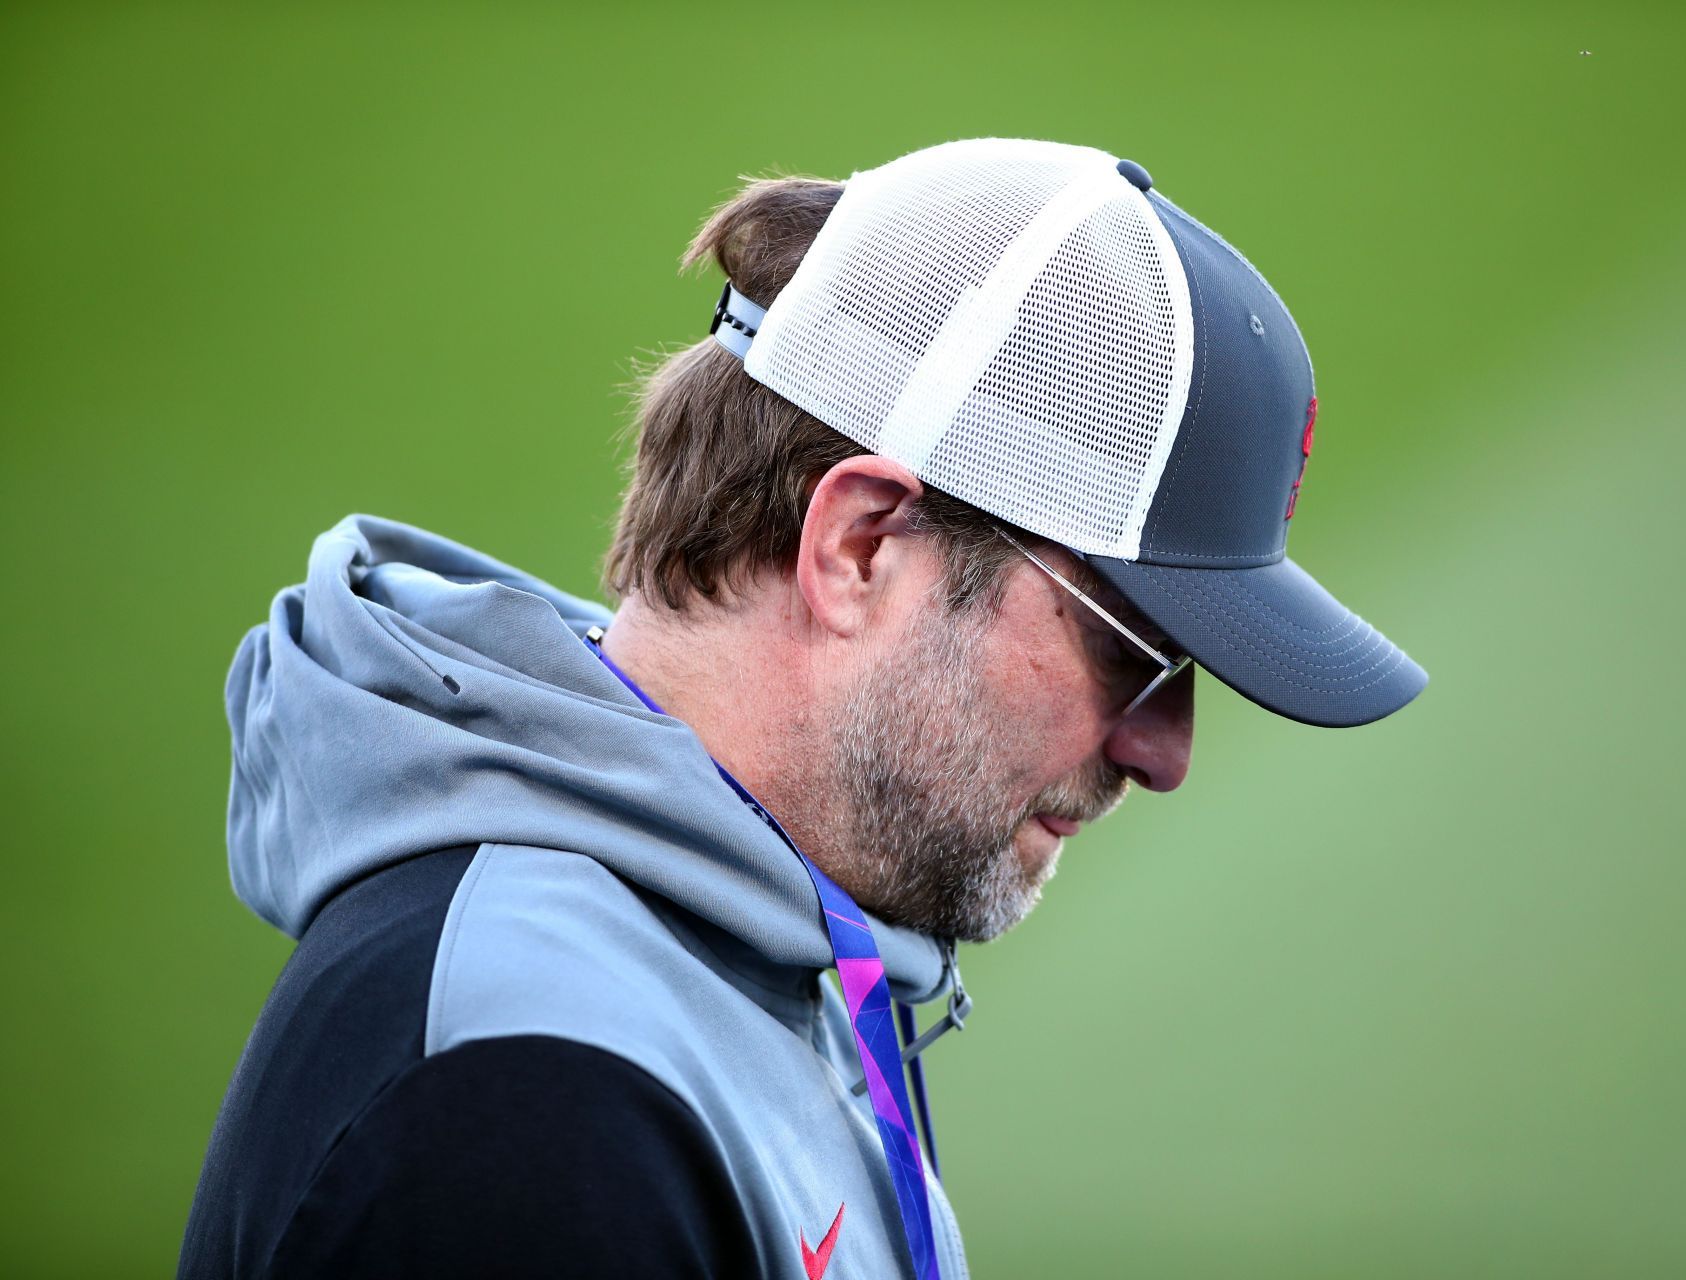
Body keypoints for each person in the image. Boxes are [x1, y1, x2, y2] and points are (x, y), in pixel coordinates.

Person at [178, 137, 1426, 1279]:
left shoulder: (754, 927)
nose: (1163, 753)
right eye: (1132, 649)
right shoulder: (532, 1109)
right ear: (860, 548)